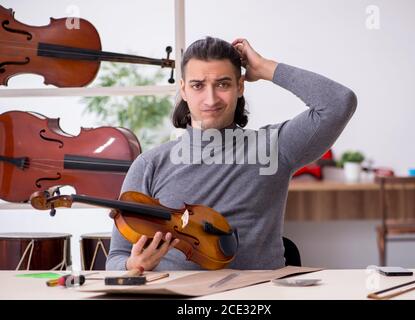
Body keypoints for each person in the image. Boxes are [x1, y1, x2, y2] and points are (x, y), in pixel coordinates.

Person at [106, 36, 357, 271]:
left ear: (240, 86)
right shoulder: (149, 164)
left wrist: (265, 67)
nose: (211, 98)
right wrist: (132, 265)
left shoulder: (275, 147)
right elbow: (116, 257)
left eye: (223, 84)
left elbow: (338, 102)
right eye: (198, 85)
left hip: (257, 298)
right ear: (183, 90)